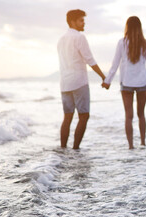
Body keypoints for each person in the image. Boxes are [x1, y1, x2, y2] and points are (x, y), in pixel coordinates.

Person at [102, 16, 146, 149]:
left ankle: (131, 146)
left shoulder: (122, 42)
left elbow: (115, 64)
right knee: (141, 114)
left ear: (127, 26)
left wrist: (107, 81)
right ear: (140, 27)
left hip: (126, 82)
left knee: (129, 116)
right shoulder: (145, 43)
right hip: (142, 82)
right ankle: (143, 143)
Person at [57, 9, 106, 149]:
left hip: (65, 83)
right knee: (84, 116)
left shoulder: (61, 39)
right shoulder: (79, 37)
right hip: (79, 82)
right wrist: (104, 77)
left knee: (67, 117)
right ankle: (76, 149)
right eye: (81, 20)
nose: (83, 23)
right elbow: (90, 60)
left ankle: (63, 149)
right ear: (73, 22)